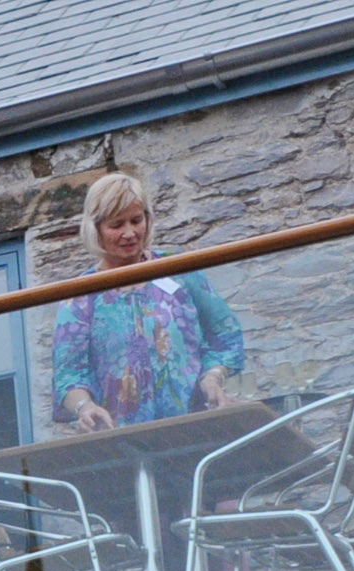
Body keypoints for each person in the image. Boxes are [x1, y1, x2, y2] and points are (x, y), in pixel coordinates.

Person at [50, 172, 246, 434]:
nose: (130, 233)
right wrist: (85, 407)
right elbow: (68, 376)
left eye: (136, 220)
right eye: (116, 225)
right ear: (96, 229)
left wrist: (212, 378)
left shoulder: (179, 271)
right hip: (120, 439)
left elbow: (226, 335)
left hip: (195, 427)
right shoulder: (80, 297)